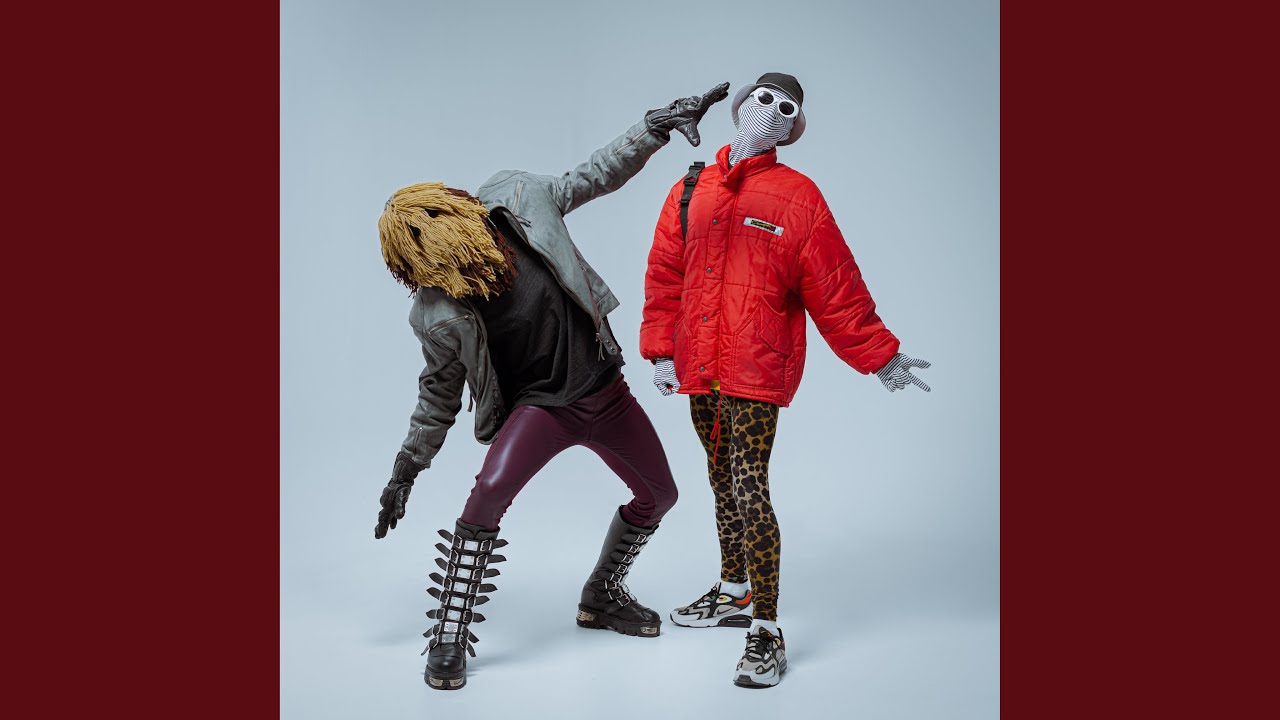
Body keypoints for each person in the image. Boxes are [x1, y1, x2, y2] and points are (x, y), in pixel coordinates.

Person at [372, 81, 729, 691]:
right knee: (488, 493)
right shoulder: (436, 310)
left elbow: (593, 175)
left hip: (606, 392)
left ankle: (601, 594)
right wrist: (407, 469)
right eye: (430, 263)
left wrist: (656, 126)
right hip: (539, 411)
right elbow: (438, 397)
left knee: (660, 495)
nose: (450, 266)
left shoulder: (518, 196)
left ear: (459, 211)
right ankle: (450, 631)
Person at [640, 72, 932, 688]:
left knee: (749, 485)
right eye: (764, 100)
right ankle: (733, 591)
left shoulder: (798, 197)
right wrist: (662, 351)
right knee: (719, 478)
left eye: (787, 108)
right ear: (741, 106)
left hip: (756, 364)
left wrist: (879, 355)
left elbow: (834, 282)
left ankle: (767, 629)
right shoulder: (691, 187)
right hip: (699, 364)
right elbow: (666, 273)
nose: (772, 111)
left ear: (794, 127)